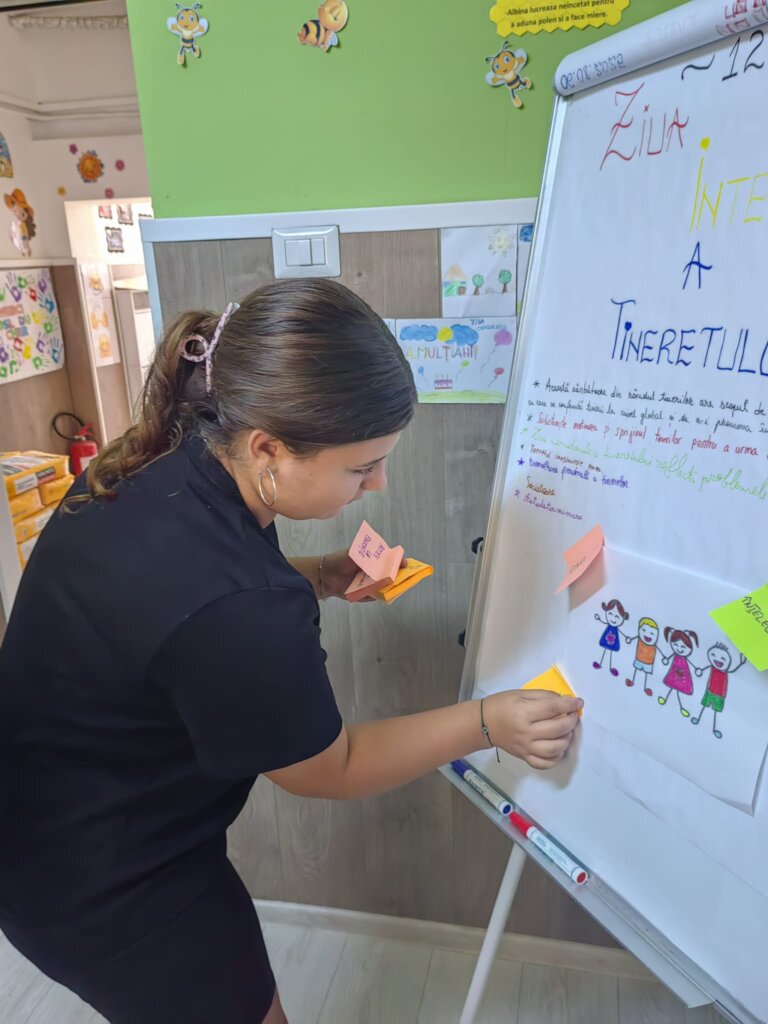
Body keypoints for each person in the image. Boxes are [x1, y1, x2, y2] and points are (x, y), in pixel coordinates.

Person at [0, 279, 581, 1024]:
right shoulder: (242, 604)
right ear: (267, 448)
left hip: (42, 819)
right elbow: (330, 767)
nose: (378, 484)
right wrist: (487, 721)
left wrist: (321, 576)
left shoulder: (153, 461)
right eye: (361, 467)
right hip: (104, 879)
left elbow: (180, 618)